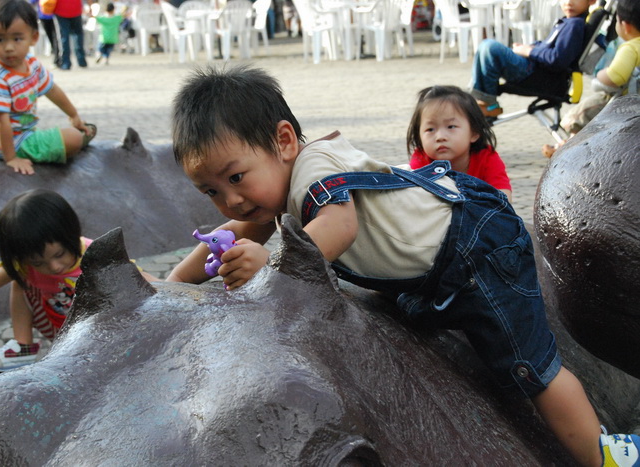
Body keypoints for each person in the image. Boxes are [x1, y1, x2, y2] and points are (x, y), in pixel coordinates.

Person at [165, 65, 640, 467]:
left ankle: (606, 454)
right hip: (437, 260)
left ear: (284, 141)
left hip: (476, 249)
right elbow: (235, 228)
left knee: (530, 368)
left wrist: (273, 263)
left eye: (235, 178)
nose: (230, 199)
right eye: (210, 191)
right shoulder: (271, 188)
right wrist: (171, 285)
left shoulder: (314, 170)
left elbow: (340, 225)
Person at [0, 189, 157, 372]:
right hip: (59, 329)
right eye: (38, 263)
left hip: (100, 330)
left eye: (60, 254)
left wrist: (174, 290)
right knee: (19, 281)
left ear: (71, 235)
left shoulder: (94, 255)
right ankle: (23, 347)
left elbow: (137, 277)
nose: (54, 267)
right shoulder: (25, 265)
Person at [0, 0, 97, 176]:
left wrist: (73, 114)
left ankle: (75, 134)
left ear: (33, 38)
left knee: (69, 134)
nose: (9, 47)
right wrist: (11, 158)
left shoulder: (31, 64)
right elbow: (0, 120)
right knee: (73, 139)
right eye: (0, 39)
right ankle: (79, 139)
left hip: (23, 133)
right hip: (9, 143)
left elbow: (52, 90)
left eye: (17, 38)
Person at [543, 0, 640, 157]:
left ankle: (569, 148)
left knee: (581, 113)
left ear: (625, 25)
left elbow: (616, 77)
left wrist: (600, 76)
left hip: (625, 99)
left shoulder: (630, 48)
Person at [469, 0, 596, 117]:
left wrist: (529, 51)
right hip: (535, 68)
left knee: (491, 48)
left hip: (538, 75)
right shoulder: (568, 22)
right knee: (485, 48)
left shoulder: (574, 25)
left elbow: (557, 59)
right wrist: (531, 47)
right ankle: (479, 99)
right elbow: (550, 47)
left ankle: (487, 103)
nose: (569, 2)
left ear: (591, 1)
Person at [407, 85, 512, 202]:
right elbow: (412, 200)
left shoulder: (486, 158)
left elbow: (504, 199)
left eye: (451, 127)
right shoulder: (421, 161)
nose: (440, 137)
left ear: (474, 132)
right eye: (430, 129)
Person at [54, 0, 87, 70]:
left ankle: (66, 63)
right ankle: (81, 61)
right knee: (78, 35)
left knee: (64, 37)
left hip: (61, 10)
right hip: (76, 9)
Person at [30, 0, 62, 68]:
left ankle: (57, 59)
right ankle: (58, 58)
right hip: (55, 14)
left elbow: (31, 2)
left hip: (44, 15)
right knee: (55, 38)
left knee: (52, 38)